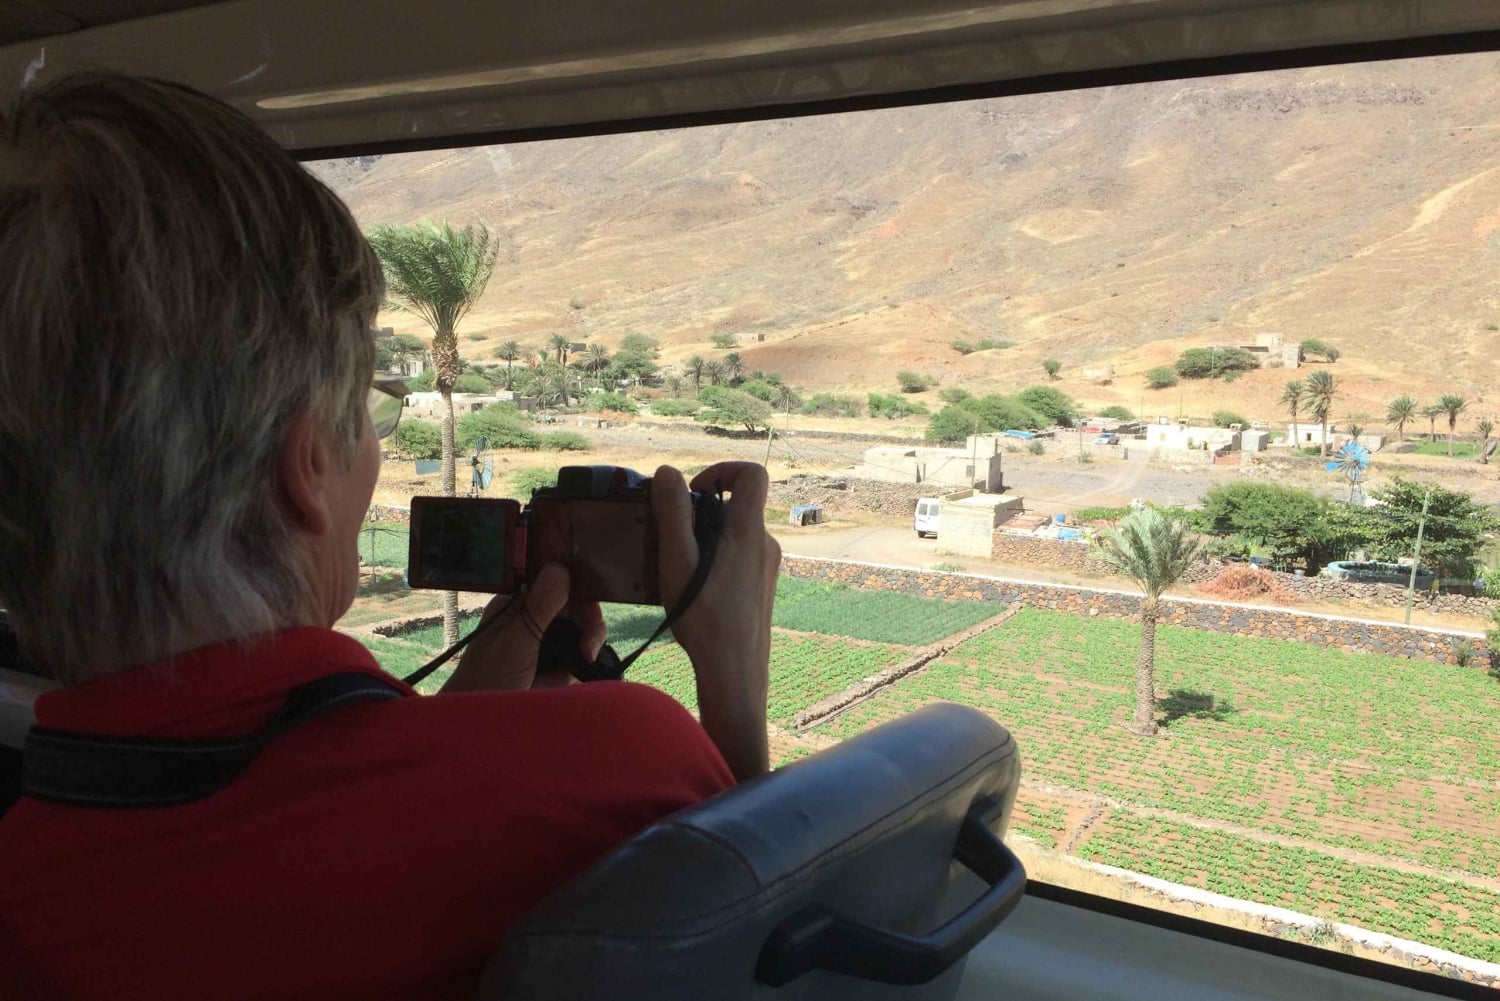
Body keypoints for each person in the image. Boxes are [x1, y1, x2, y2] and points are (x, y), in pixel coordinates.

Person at [0, 74, 779, 1000]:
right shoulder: (621, 758)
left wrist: (438, 720)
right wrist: (732, 686)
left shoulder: (25, 886)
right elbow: (764, 941)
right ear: (309, 467)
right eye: (368, 409)